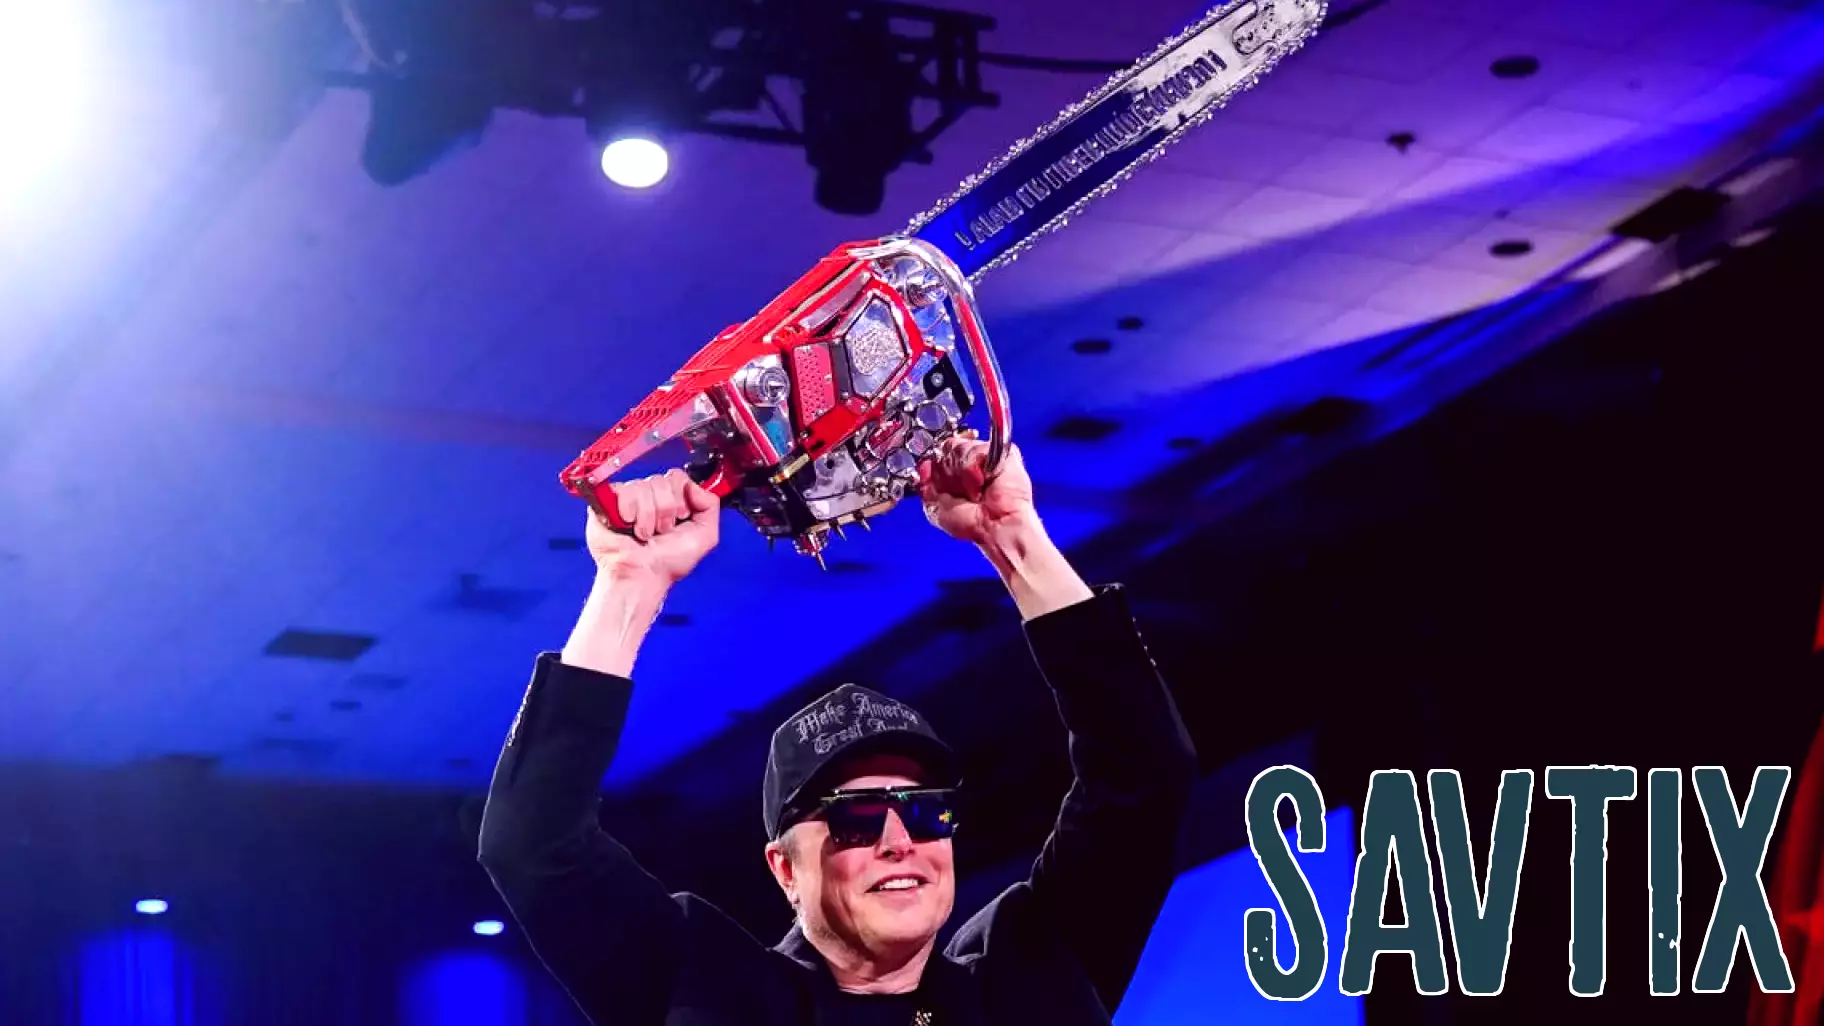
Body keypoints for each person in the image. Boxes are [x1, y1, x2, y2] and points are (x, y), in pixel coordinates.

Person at [479, 437, 1198, 1025]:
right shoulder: (713, 994)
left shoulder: (1027, 983)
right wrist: (627, 585)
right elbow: (532, 844)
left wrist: (1014, 537)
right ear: (786, 870)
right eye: (856, 819)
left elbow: (1145, 771)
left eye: (926, 812)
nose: (899, 840)